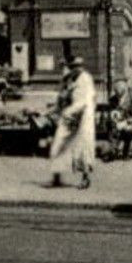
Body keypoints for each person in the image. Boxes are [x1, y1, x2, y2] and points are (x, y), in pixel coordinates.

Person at [48, 55, 97, 189]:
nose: (77, 69)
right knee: (58, 142)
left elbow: (84, 102)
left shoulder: (86, 79)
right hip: (70, 118)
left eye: (79, 66)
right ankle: (56, 176)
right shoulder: (69, 80)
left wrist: (67, 111)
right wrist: (54, 109)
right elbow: (62, 99)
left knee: (83, 148)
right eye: (74, 66)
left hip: (84, 117)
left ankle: (85, 177)